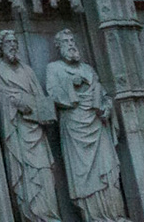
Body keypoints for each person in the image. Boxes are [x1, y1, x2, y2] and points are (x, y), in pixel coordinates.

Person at [46, 30, 128, 222]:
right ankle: (94, 217)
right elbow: (52, 95)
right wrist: (70, 84)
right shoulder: (54, 68)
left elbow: (104, 94)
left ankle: (115, 215)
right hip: (75, 127)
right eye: (65, 41)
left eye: (72, 40)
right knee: (83, 175)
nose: (71, 44)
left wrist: (107, 108)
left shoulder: (88, 69)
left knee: (109, 172)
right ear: (59, 47)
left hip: (97, 126)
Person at [0, 31, 58, 222]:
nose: (13, 45)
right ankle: (33, 216)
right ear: (1, 47)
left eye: (15, 42)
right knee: (25, 177)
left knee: (44, 175)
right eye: (8, 42)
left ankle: (49, 215)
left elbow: (41, 98)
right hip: (16, 132)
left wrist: (41, 110)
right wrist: (15, 101)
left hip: (35, 132)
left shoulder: (27, 70)